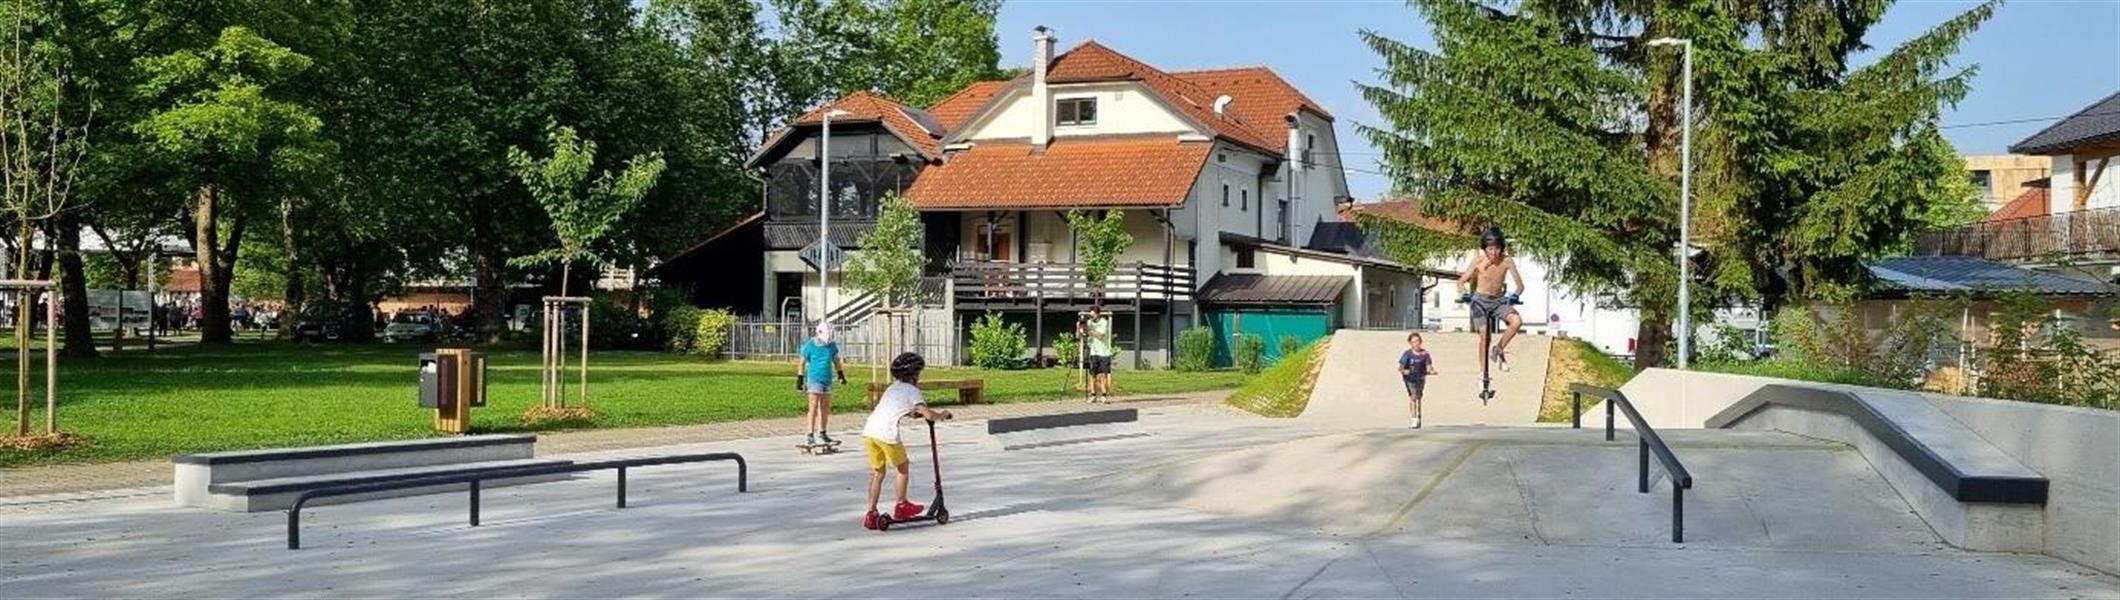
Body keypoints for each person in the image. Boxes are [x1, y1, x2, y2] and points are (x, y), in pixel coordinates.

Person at [862, 352, 952, 529]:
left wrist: (913, 414)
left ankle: (871, 513)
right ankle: (902, 505)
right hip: (886, 434)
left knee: (878, 473)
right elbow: (928, 415)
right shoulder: (913, 391)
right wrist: (942, 414)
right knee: (903, 467)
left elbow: (900, 409)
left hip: (870, 431)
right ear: (915, 374)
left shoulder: (893, 387)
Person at [1457, 226, 1526, 376]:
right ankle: (1483, 373)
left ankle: (1499, 349)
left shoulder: (1507, 261)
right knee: (1484, 335)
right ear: (1485, 249)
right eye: (1490, 249)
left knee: (1517, 322)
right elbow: (1461, 282)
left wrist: (1515, 295)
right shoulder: (1478, 261)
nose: (1493, 253)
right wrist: (1464, 294)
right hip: (1479, 301)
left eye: (1497, 249)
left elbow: (1520, 286)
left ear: (1501, 248)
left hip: (1498, 301)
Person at [796, 321, 847, 448]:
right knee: (813, 407)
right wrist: (800, 379)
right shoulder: (810, 345)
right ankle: (810, 434)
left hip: (827, 379)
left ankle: (823, 433)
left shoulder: (832, 346)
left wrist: (841, 375)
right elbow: (802, 362)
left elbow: (836, 361)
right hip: (814, 380)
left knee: (825, 407)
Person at [1398, 332, 1438, 429]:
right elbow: (1400, 368)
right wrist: (1404, 371)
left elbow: (1428, 366)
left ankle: (1419, 416)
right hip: (1410, 379)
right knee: (1413, 396)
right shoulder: (1407, 354)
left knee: (1419, 397)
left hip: (1420, 378)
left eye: (1417, 341)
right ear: (1410, 344)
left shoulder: (1425, 354)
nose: (1416, 344)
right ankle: (1413, 418)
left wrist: (1431, 371)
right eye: (1413, 342)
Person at [1080, 304, 1115, 403]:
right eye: (1090, 315)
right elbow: (1080, 336)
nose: (1092, 317)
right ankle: (1093, 395)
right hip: (1093, 352)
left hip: (1104, 352)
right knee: (1093, 374)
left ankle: (1104, 395)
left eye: (1093, 315)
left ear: (1098, 314)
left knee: (1103, 375)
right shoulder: (1089, 322)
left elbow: (1100, 336)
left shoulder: (1104, 322)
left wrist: (1088, 331)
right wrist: (1079, 328)